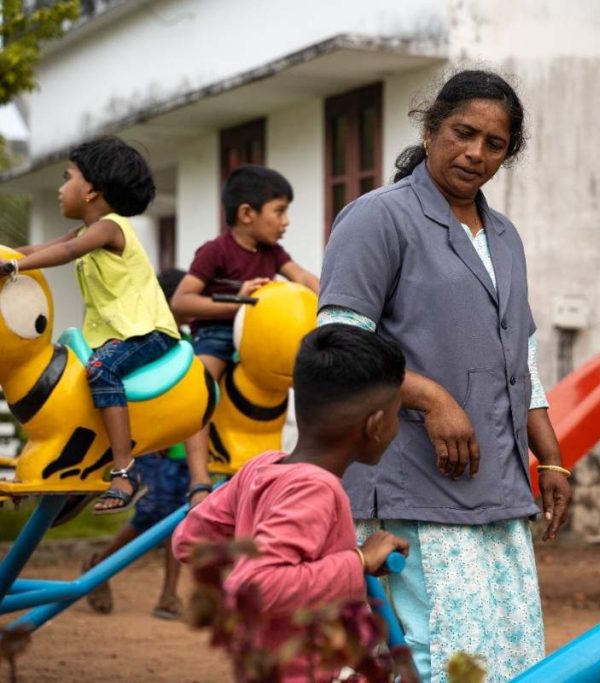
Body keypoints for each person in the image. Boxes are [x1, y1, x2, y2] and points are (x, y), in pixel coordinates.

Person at [318, 69, 572, 682]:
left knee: (503, 658)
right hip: (412, 484)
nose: (475, 154)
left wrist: (553, 459)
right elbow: (339, 344)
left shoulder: (505, 237)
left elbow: (522, 358)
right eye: (463, 133)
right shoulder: (378, 218)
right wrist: (431, 398)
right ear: (430, 128)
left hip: (497, 488)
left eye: (494, 144)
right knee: (433, 658)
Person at [172, 324, 410, 682]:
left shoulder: (262, 468)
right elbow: (257, 585)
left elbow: (189, 540)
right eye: (397, 413)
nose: (396, 426)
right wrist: (359, 560)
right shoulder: (316, 489)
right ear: (375, 424)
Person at [0, 136, 180, 514]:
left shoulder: (110, 228)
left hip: (147, 332)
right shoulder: (87, 232)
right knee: (78, 381)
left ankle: (125, 470)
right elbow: (42, 249)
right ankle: (82, 473)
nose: (61, 189)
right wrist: (10, 255)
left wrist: (14, 267)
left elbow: (63, 254)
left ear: (93, 190)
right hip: (116, 334)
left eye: (67, 179)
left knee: (101, 370)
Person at [170, 165, 320, 508]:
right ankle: (198, 478)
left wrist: (333, 299)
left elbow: (302, 277)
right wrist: (238, 303)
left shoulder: (273, 253)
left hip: (260, 339)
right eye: (279, 211)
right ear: (247, 214)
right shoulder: (215, 251)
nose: (286, 222)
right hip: (219, 335)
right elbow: (181, 301)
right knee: (201, 391)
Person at [81, 268, 193, 620]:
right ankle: (98, 566)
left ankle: (169, 595)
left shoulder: (183, 339)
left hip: (183, 446)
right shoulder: (143, 342)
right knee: (155, 514)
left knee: (178, 518)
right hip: (158, 446)